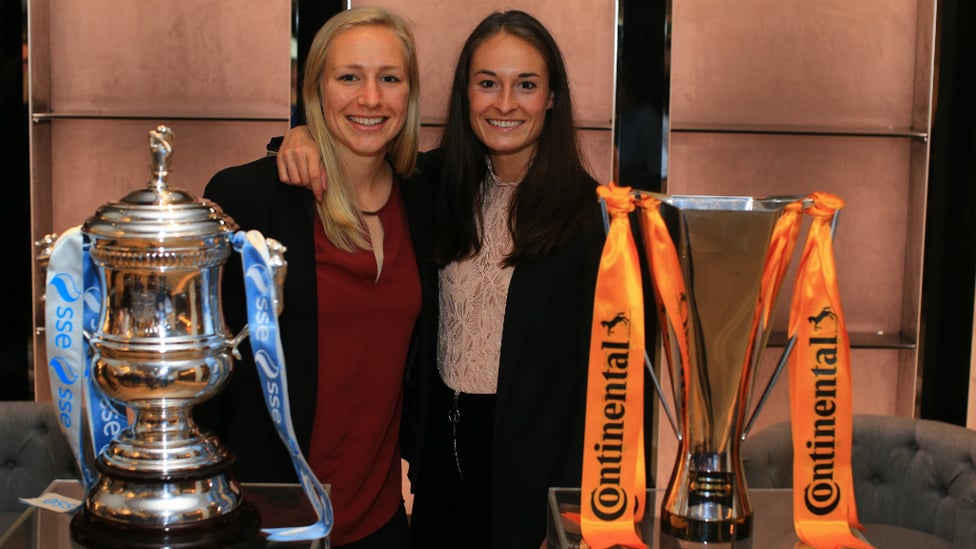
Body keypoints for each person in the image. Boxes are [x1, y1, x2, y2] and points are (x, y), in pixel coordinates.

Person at [275, 11, 657, 548]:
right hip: (436, 474)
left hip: (536, 488)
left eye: (526, 85)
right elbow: (357, 157)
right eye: (487, 84)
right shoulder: (432, 187)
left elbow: (615, 389)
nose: (505, 103)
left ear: (551, 97)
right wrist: (300, 137)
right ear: (464, 95)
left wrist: (579, 517)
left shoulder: (595, 223)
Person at [198, 7, 436, 548]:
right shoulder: (250, 200)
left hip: (380, 522)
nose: (371, 99)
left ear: (410, 94)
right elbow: (208, 370)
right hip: (262, 520)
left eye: (390, 79)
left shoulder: (425, 198)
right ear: (316, 89)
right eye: (349, 77)